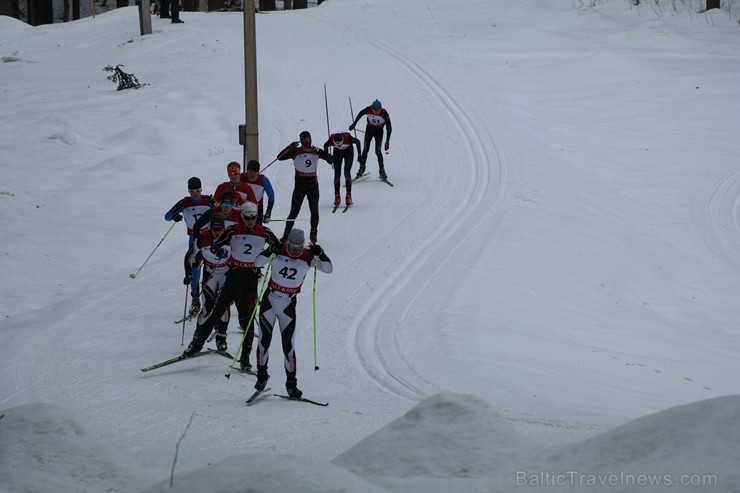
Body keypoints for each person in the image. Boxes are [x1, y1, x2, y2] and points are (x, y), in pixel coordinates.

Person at [183, 202, 280, 362]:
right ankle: (196, 345)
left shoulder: (265, 232)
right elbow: (215, 246)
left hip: (250, 279)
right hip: (233, 276)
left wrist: (270, 253)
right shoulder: (232, 230)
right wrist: (216, 250)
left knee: (248, 319)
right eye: (247, 217)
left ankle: (245, 359)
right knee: (216, 311)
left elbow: (279, 249)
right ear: (242, 216)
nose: (250, 221)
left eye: (253, 218)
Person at [252, 228, 333, 398]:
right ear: (287, 243)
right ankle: (262, 376)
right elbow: (258, 263)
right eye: (292, 247)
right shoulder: (279, 250)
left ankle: (291, 385)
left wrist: (322, 253)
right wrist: (269, 250)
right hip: (270, 300)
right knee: (263, 341)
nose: (294, 251)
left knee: (288, 346)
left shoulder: (307, 256)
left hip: (288, 305)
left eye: (298, 248)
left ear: (303, 246)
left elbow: (328, 269)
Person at [164, 176, 213, 317]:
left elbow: (221, 209)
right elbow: (167, 216)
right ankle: (195, 300)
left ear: (201, 189)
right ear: (188, 190)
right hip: (194, 239)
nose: (195, 194)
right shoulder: (184, 202)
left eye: (197, 190)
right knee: (194, 270)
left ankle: (216, 296)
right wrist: (174, 216)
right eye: (192, 191)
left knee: (214, 267)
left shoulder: (208, 200)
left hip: (210, 237)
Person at [276, 131, 333, 244]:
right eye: (305, 139)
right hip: (300, 184)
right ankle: (286, 235)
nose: (307, 141)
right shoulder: (295, 151)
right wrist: (289, 147)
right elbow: (279, 157)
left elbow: (332, 159)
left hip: (312, 184)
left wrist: (322, 153)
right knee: (294, 211)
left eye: (309, 138)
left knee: (314, 210)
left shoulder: (316, 151)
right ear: (301, 141)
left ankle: (313, 234)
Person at [189, 213, 231, 350]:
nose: (217, 233)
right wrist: (188, 273)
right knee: (207, 307)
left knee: (224, 307)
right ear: (210, 228)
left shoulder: (230, 237)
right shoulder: (202, 238)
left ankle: (221, 338)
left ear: (224, 228)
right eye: (214, 229)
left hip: (226, 273)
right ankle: (197, 336)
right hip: (210, 274)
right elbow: (189, 256)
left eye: (220, 229)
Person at [349, 99, 392, 180]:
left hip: (379, 132)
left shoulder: (384, 113)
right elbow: (360, 114)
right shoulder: (368, 109)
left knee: (378, 151)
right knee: (365, 149)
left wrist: (387, 141)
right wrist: (354, 124)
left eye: (377, 110)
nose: (375, 111)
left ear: (381, 108)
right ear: (371, 107)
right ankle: (362, 168)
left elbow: (389, 128)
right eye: (374, 110)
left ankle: (382, 171)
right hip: (369, 130)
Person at [323, 131, 362, 206]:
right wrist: (327, 157)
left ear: (342, 139)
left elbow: (357, 142)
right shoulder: (331, 139)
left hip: (349, 152)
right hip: (337, 153)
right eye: (336, 143)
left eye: (339, 143)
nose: (338, 144)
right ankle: (337, 196)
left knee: (346, 172)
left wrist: (359, 154)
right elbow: (325, 145)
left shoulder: (347, 137)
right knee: (337, 174)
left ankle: (348, 196)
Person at [240, 160, 276, 225]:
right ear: (247, 171)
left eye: (255, 172)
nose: (252, 174)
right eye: (250, 172)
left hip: (257, 209)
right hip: (242, 208)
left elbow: (271, 196)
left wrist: (268, 213)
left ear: (258, 173)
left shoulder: (264, 180)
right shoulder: (241, 177)